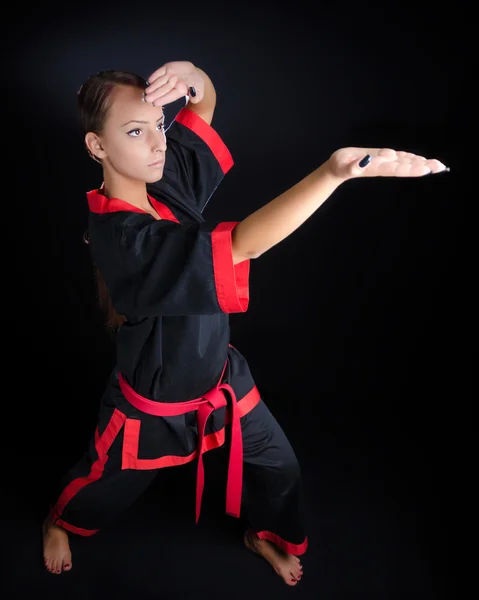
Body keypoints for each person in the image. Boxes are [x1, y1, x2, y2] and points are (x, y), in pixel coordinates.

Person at [42, 60, 448, 587]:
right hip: (154, 406)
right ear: (97, 147)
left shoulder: (161, 184)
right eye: (135, 131)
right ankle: (59, 521)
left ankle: (264, 534)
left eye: (157, 124)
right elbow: (242, 245)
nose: (157, 143)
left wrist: (195, 74)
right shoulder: (123, 241)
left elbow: (202, 106)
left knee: (281, 469)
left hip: (221, 381)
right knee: (103, 483)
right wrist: (335, 172)